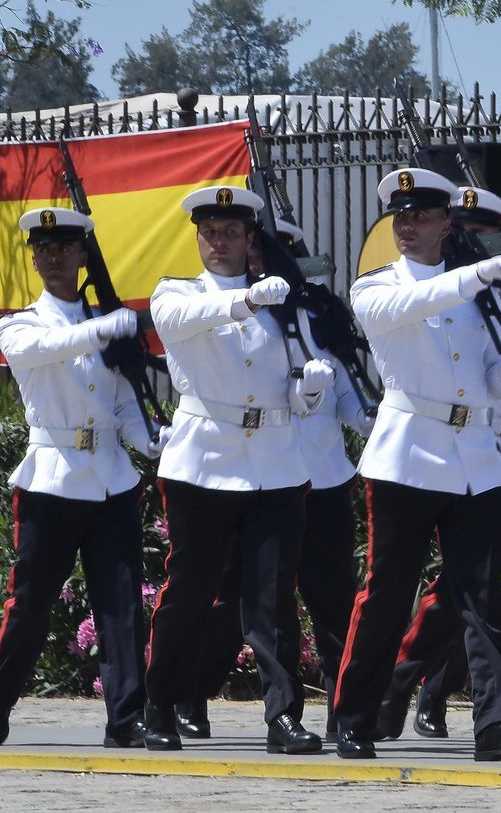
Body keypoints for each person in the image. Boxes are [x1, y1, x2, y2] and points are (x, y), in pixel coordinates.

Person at [331, 167, 501, 763]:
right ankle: (354, 716)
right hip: (407, 456)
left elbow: (486, 385)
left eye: (422, 216)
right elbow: (409, 304)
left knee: (481, 596)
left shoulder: (483, 296)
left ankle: (496, 722)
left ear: (445, 224)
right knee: (385, 594)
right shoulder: (376, 287)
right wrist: (474, 276)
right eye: (401, 217)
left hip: (475, 457)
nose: (408, 227)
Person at [375, 185, 501, 741]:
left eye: (485, 234)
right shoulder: (457, 294)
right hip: (481, 457)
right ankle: (410, 690)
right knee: (462, 596)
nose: (475, 243)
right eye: (466, 231)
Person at [144, 186, 331, 754]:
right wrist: (246, 302)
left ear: (251, 238)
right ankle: (160, 704)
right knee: (191, 590)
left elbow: (286, 386)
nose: (219, 241)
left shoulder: (285, 304)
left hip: (274, 462)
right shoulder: (176, 293)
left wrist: (310, 395)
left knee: (272, 594)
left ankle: (283, 717)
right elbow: (179, 322)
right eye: (210, 232)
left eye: (231, 232)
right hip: (204, 463)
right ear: (198, 238)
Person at [175, 217, 371, 743]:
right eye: (254, 250)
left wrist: (368, 418)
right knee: (233, 600)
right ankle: (190, 695)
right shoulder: (243, 315)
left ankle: (343, 709)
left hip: (322, 475)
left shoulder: (317, 314)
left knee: (332, 602)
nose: (258, 263)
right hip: (260, 475)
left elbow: (348, 384)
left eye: (270, 253)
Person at [0, 207, 157, 749]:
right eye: (44, 249)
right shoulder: (21, 324)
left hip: (111, 479)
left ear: (82, 256)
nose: (54, 257)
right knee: (30, 606)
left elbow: (124, 399)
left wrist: (148, 440)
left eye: (65, 247)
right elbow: (42, 350)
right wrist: (101, 328)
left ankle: (126, 718)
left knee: (121, 602)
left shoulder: (105, 322)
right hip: (52, 481)